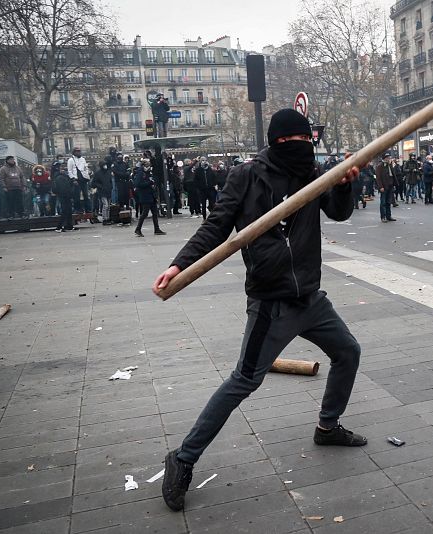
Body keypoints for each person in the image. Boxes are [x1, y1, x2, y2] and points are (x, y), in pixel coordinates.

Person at [152, 108, 365, 512]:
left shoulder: (311, 174)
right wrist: (180, 264)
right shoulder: (247, 176)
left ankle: (328, 425)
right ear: (277, 141)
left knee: (348, 352)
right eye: (294, 142)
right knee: (244, 381)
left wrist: (343, 186)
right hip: (271, 303)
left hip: (311, 298)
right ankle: (182, 458)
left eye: (308, 142)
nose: (303, 148)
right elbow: (216, 226)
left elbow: (338, 212)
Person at [133, 159, 166, 237]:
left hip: (151, 194)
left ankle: (157, 229)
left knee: (155, 213)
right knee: (145, 213)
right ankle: (138, 229)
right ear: (144, 165)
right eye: (148, 165)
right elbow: (138, 184)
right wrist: (149, 183)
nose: (150, 166)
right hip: (145, 195)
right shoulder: (140, 173)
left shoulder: (149, 173)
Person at [51, 156, 75, 232]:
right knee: (65, 210)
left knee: (68, 210)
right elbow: (57, 187)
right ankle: (59, 227)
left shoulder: (62, 176)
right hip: (63, 195)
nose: (62, 168)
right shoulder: (57, 176)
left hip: (66, 194)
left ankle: (69, 226)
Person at [67, 147, 91, 213]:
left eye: (79, 151)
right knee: (76, 196)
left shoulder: (83, 159)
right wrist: (73, 179)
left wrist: (87, 174)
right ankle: (78, 209)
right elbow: (69, 171)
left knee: (86, 195)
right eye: (77, 151)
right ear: (74, 152)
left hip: (83, 179)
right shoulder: (71, 160)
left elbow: (85, 168)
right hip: (76, 179)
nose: (78, 152)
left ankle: (88, 209)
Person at [375, 153, 397, 222]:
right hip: (384, 186)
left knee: (388, 201)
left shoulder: (389, 165)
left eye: (389, 157)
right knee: (383, 202)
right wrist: (380, 186)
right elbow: (378, 178)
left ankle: (388, 216)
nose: (389, 159)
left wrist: (394, 184)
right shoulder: (380, 166)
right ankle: (383, 217)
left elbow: (392, 175)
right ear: (385, 158)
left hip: (390, 185)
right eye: (388, 158)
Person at [91, 159, 113, 224]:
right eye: (104, 164)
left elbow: (110, 181)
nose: (105, 166)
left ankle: (107, 218)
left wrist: (111, 186)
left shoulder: (108, 172)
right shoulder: (98, 173)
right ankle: (104, 219)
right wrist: (100, 186)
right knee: (105, 205)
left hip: (108, 190)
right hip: (102, 191)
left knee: (108, 206)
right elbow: (93, 183)